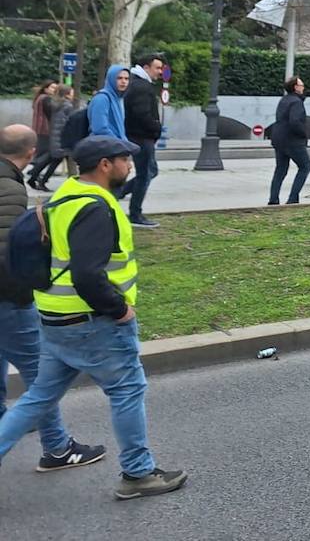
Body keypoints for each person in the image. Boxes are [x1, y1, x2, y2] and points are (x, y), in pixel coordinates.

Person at [0, 135, 187, 499]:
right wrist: (119, 309)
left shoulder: (64, 196)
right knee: (127, 390)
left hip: (54, 318)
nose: (130, 164)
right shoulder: (96, 207)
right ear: (105, 165)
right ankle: (138, 474)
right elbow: (87, 273)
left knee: (37, 397)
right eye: (124, 159)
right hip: (92, 323)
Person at [0, 124, 106, 473]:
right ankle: (58, 448)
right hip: (7, 299)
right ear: (31, 154)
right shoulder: (10, 189)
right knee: (39, 375)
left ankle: (7, 419)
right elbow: (6, 251)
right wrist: (23, 293)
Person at [123, 54, 164, 228]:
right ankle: (135, 213)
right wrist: (156, 128)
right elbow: (142, 114)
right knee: (145, 174)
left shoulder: (137, 84)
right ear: (146, 68)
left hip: (139, 136)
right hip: (142, 137)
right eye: (157, 68)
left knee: (151, 171)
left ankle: (121, 191)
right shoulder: (142, 86)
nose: (160, 72)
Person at [269, 76, 310, 206]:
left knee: (280, 169)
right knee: (305, 166)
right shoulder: (296, 102)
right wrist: (303, 134)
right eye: (301, 85)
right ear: (295, 87)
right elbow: (295, 121)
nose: (303, 88)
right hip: (293, 140)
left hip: (278, 139)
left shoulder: (284, 100)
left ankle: (273, 199)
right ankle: (293, 198)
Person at [33, 86, 77, 189]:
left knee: (53, 159)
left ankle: (36, 178)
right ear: (66, 94)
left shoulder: (56, 105)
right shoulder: (67, 106)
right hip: (62, 138)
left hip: (55, 136)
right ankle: (40, 180)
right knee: (56, 160)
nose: (73, 95)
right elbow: (68, 123)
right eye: (71, 93)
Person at [25, 81, 57, 190]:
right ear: (46, 89)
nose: (54, 90)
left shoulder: (39, 98)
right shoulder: (46, 99)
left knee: (43, 153)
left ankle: (34, 173)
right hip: (45, 130)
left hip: (39, 129)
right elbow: (52, 112)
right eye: (52, 87)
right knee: (46, 154)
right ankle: (34, 173)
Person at [86, 65, 129, 141]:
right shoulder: (102, 99)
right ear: (111, 79)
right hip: (104, 146)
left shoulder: (117, 99)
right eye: (119, 78)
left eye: (126, 79)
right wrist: (119, 143)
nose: (123, 81)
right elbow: (99, 128)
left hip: (115, 146)